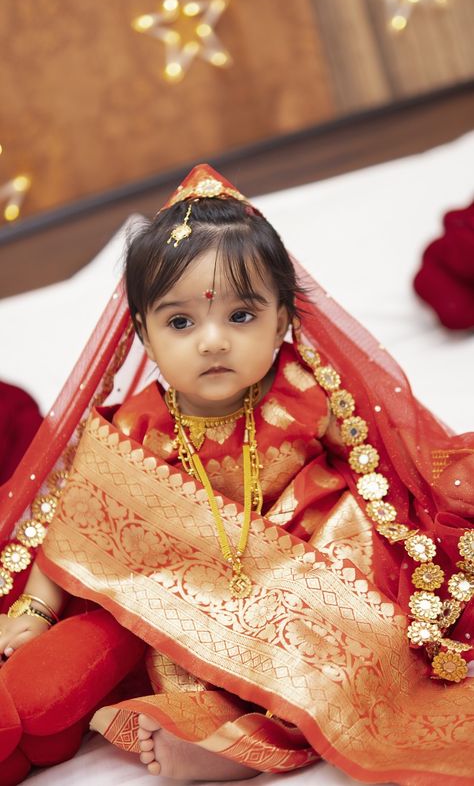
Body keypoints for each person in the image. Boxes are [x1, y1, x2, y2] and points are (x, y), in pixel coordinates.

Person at [0, 164, 473, 786]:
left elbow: (385, 455)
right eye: (181, 322)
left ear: (283, 321)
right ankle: (201, 728)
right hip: (195, 592)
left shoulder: (307, 395)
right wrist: (35, 607)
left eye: (242, 316)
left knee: (355, 644)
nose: (213, 341)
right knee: (158, 638)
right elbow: (78, 523)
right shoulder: (130, 430)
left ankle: (248, 741)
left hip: (313, 559)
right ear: (143, 333)